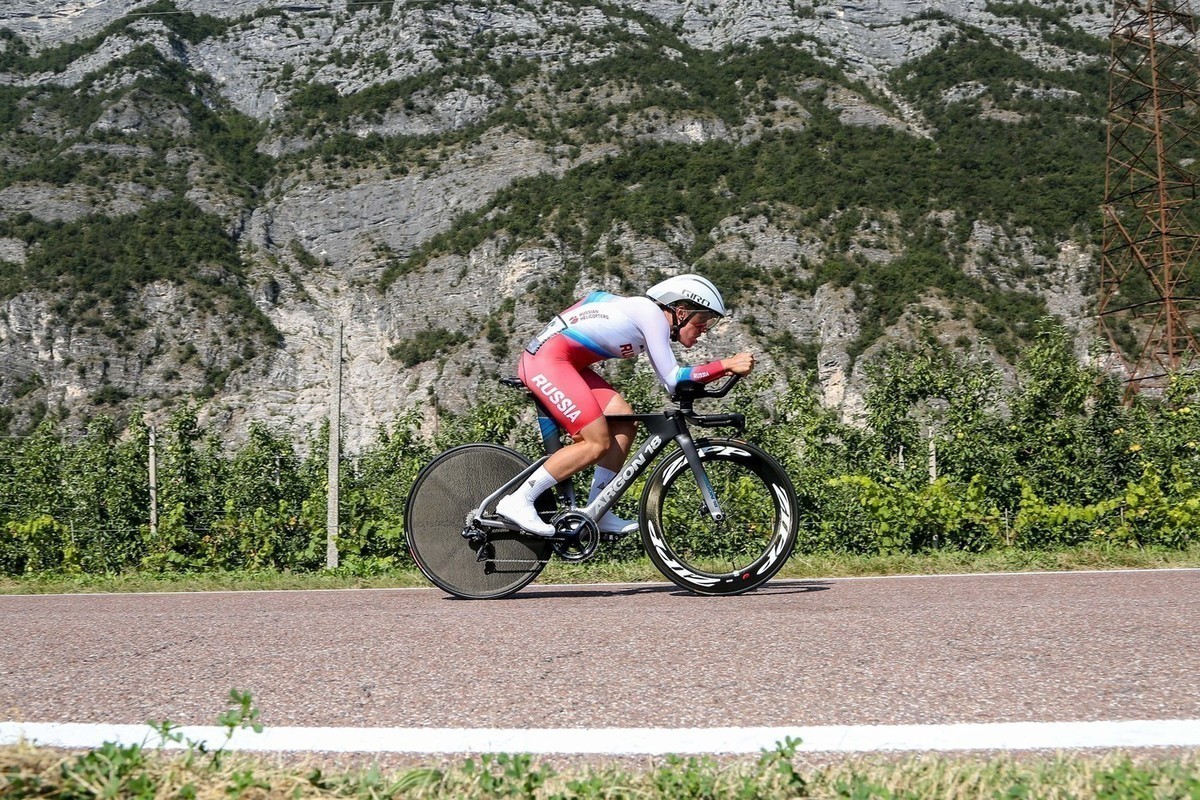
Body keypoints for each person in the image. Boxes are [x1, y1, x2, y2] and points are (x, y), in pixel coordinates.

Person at [495, 273, 756, 536]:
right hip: (547, 361)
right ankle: (519, 500)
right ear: (680, 311)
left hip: (567, 363)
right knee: (596, 442)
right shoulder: (651, 314)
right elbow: (673, 377)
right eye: (702, 320)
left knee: (624, 420)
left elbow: (671, 385)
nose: (704, 329)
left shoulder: (648, 319)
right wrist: (725, 365)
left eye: (709, 323)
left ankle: (598, 510)